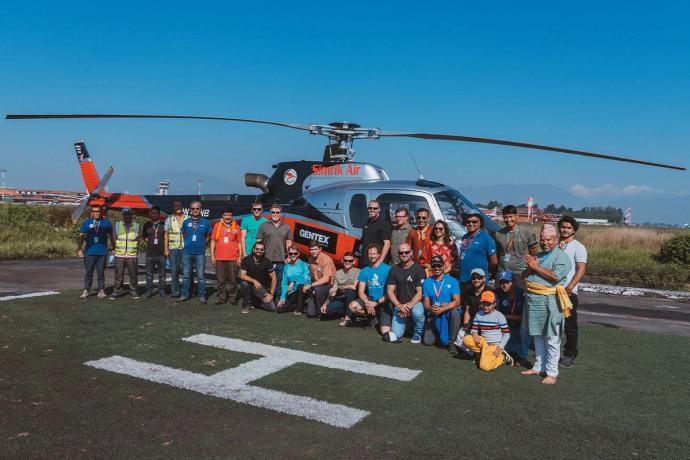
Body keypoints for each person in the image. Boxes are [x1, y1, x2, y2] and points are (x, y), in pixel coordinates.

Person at [520, 224, 573, 385]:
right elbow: (525, 275)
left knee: (552, 338)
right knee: (537, 336)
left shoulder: (562, 257)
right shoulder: (538, 255)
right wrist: (530, 267)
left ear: (556, 240)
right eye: (542, 240)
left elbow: (555, 276)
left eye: (549, 239)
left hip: (551, 302)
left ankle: (552, 372)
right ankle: (538, 367)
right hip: (534, 300)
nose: (545, 243)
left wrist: (536, 267)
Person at [557, 215, 588, 369]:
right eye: (563, 227)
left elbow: (581, 269)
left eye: (569, 227)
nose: (565, 230)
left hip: (568, 293)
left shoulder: (578, 247)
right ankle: (553, 352)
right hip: (552, 291)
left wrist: (570, 287)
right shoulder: (554, 244)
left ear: (574, 230)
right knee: (552, 324)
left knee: (569, 325)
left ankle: (570, 354)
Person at [460, 291, 513, 371]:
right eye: (483, 303)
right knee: (466, 339)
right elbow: (474, 329)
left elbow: (507, 335)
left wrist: (499, 348)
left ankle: (502, 357)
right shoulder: (478, 314)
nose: (485, 306)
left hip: (495, 345)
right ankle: (483, 354)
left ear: (494, 304)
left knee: (484, 366)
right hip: (483, 342)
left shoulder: (499, 316)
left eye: (488, 304)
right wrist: (475, 335)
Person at [385, 243, 426, 344]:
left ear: (411, 253)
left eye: (406, 252)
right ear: (398, 254)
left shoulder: (419, 269)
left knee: (418, 313)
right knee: (396, 335)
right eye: (401, 253)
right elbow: (390, 290)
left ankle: (418, 332)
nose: (404, 254)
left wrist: (409, 306)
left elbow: (420, 293)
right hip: (400, 304)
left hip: (415, 302)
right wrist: (399, 306)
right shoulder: (394, 269)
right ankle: (409, 325)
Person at [348, 244, 391, 333]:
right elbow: (361, 292)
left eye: (374, 254)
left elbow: (390, 292)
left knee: (385, 332)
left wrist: (376, 303)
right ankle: (370, 316)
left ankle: (378, 317)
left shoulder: (387, 269)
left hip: (384, 301)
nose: (372, 256)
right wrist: (367, 303)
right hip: (370, 300)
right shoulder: (365, 270)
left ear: (379, 255)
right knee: (352, 306)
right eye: (370, 254)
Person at [422, 256, 462, 352]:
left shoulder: (453, 281)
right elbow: (426, 303)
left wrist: (443, 309)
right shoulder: (427, 282)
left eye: (439, 266)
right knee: (428, 341)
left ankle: (452, 341)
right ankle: (440, 334)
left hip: (447, 312)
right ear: (431, 267)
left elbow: (457, 301)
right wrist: (431, 308)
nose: (436, 268)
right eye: (434, 266)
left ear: (444, 267)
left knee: (455, 313)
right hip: (433, 313)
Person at [494, 204, 538, 289]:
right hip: (502, 272)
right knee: (500, 298)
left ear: (516, 216)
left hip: (519, 273)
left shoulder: (527, 233)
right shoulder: (498, 234)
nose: (508, 220)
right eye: (505, 217)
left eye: (511, 217)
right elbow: (498, 252)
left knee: (518, 298)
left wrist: (529, 271)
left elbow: (533, 252)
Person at [256, 204, 293, 300]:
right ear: (270, 213)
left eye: (277, 212)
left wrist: (289, 256)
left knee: (279, 281)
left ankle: (277, 299)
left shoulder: (286, 227)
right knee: (264, 280)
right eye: (273, 212)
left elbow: (289, 242)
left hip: (281, 259)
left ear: (280, 214)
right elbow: (258, 242)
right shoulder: (263, 226)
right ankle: (262, 299)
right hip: (266, 259)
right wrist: (258, 257)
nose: (275, 214)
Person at [78, 205, 114, 299]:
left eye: (98, 211)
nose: (96, 213)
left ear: (101, 212)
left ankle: (101, 290)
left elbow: (111, 236)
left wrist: (114, 248)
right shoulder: (87, 222)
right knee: (88, 272)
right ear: (91, 213)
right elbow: (81, 236)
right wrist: (79, 249)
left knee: (101, 272)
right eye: (94, 211)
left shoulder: (106, 223)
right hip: (89, 252)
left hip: (102, 252)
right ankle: (86, 290)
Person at [179, 201, 212, 304]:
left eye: (197, 208)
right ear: (190, 210)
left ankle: (202, 295)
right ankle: (184, 294)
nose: (195, 210)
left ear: (200, 209)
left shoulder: (206, 222)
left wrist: (201, 244)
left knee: (201, 276)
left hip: (200, 253)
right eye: (193, 208)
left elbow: (208, 236)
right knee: (186, 275)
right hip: (187, 252)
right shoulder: (186, 222)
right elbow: (184, 234)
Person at [495, 270, 530, 367]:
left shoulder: (522, 294)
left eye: (507, 282)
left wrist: (507, 316)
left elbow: (525, 318)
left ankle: (522, 356)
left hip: (520, 326)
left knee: (525, 329)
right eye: (502, 283)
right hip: (505, 326)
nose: (504, 285)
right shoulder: (497, 293)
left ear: (514, 282)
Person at [458, 211, 497, 292]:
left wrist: (483, 270)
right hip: (463, 278)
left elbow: (494, 262)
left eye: (474, 221)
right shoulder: (465, 237)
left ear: (480, 223)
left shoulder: (487, 238)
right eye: (468, 221)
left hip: (478, 280)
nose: (471, 224)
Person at [210, 207, 242, 305]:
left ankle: (232, 298)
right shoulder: (217, 226)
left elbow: (239, 242)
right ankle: (222, 298)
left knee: (233, 280)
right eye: (225, 215)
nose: (227, 217)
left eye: (229, 215)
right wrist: (212, 255)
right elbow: (213, 241)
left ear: (232, 216)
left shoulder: (236, 226)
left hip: (233, 258)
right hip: (219, 258)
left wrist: (240, 257)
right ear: (222, 216)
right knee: (220, 280)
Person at [110, 207, 140, 299]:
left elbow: (138, 239)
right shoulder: (117, 225)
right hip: (119, 254)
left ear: (132, 215)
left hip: (132, 254)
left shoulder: (137, 225)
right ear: (122, 215)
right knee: (119, 274)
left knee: (133, 274)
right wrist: (114, 249)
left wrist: (134, 246)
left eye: (129, 214)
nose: (127, 216)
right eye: (125, 214)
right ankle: (117, 291)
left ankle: (134, 291)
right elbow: (113, 238)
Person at [455, 268, 492, 344]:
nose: (476, 280)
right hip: (472, 322)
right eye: (473, 278)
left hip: (486, 324)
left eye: (479, 278)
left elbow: (492, 314)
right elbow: (468, 310)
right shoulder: (469, 292)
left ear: (484, 278)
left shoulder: (490, 292)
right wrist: (465, 325)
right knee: (462, 342)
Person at [239, 241, 277, 313]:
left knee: (272, 308)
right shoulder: (246, 260)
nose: (259, 251)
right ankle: (247, 304)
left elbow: (274, 277)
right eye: (257, 249)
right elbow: (242, 275)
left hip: (260, 287)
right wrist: (254, 281)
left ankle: (255, 302)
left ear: (264, 251)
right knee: (244, 284)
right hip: (249, 285)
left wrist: (271, 294)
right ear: (253, 249)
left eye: (261, 249)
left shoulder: (267, 261)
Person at [322, 252, 360, 320]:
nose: (347, 262)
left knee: (350, 291)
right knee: (327, 311)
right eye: (345, 260)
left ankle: (348, 317)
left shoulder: (358, 271)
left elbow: (354, 287)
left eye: (350, 261)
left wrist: (339, 287)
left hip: (354, 298)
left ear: (354, 262)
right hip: (342, 298)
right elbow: (333, 291)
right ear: (342, 260)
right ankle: (345, 311)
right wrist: (325, 304)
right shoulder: (337, 273)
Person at [305, 240, 336, 318]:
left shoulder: (326, 259)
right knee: (311, 314)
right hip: (317, 285)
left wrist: (311, 286)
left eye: (315, 249)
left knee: (318, 289)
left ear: (320, 249)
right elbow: (311, 276)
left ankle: (321, 314)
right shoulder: (311, 259)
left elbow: (326, 279)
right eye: (311, 249)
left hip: (329, 286)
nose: (313, 251)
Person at [141, 206, 166, 298]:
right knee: (149, 274)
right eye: (152, 213)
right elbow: (144, 237)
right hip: (150, 254)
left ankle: (162, 290)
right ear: (150, 214)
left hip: (161, 254)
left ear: (159, 214)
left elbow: (167, 237)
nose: (154, 214)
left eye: (156, 213)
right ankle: (148, 291)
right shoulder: (146, 224)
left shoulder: (164, 224)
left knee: (162, 274)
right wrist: (150, 242)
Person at [277, 247, 311, 314]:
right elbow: (284, 284)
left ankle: (299, 309)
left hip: (303, 291)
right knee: (280, 309)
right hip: (292, 292)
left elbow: (307, 280)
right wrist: (283, 297)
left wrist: (294, 283)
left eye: (295, 253)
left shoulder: (304, 264)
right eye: (291, 253)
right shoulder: (286, 267)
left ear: (298, 254)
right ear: (288, 254)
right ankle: (302, 306)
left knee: (300, 286)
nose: (293, 255)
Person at [359, 200, 391, 267]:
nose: (372, 210)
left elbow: (387, 244)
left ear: (379, 209)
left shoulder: (384, 224)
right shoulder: (366, 223)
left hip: (377, 262)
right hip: (366, 260)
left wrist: (380, 261)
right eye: (370, 208)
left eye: (375, 208)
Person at [164, 200, 185, 298]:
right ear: (173, 208)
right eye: (176, 206)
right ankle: (176, 292)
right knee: (174, 271)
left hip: (186, 249)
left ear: (182, 207)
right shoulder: (169, 219)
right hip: (173, 249)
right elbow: (166, 234)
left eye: (179, 206)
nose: (178, 208)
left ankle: (186, 291)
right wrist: (166, 249)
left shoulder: (188, 219)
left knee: (187, 271)